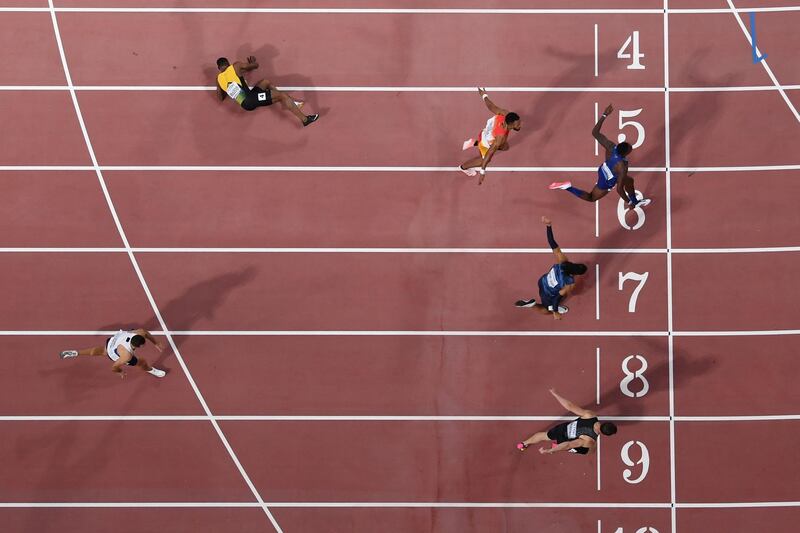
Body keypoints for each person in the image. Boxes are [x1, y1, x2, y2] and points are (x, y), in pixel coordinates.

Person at [548, 104, 650, 209]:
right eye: (630, 149)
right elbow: (619, 190)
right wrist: (628, 202)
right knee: (591, 197)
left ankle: (635, 201)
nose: (631, 148)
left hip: (603, 169)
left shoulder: (611, 146)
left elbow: (595, 133)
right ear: (625, 153)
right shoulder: (622, 167)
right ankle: (568, 187)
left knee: (629, 181)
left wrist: (605, 115)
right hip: (607, 180)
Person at [515, 216, 587, 320]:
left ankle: (545, 306)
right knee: (547, 310)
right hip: (548, 293)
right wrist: (555, 311)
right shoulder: (569, 283)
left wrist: (548, 226)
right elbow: (558, 297)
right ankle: (533, 306)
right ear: (578, 274)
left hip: (542, 281)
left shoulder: (563, 261)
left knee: (560, 295)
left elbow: (552, 242)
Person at [216, 56, 319, 127]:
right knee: (282, 96)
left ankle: (292, 103)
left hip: (245, 101)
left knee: (265, 82)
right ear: (228, 63)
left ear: (219, 68)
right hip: (251, 100)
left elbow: (221, 98)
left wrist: (224, 87)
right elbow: (255, 66)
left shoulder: (219, 79)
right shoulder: (235, 66)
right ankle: (305, 120)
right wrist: (252, 63)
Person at [517, 388, 617, 455]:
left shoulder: (590, 415)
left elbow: (570, 406)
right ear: (605, 434)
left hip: (562, 429)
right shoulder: (590, 441)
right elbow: (569, 444)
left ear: (605, 423)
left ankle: (523, 444)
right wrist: (550, 450)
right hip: (565, 440)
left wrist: (555, 394)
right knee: (591, 450)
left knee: (543, 435)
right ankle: (556, 445)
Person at [459, 88, 522, 185]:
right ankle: (463, 167)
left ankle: (474, 142)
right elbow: (489, 154)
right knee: (483, 160)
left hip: (484, 133)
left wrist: (484, 95)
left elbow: (491, 106)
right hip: (485, 143)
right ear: (510, 125)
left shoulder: (504, 113)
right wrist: (482, 172)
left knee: (505, 147)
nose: (520, 125)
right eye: (517, 124)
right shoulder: (500, 138)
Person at [60, 328, 166, 379]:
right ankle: (151, 370)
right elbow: (114, 367)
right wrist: (119, 372)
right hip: (116, 353)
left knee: (102, 351)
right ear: (139, 346)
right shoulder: (127, 356)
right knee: (141, 362)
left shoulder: (139, 333)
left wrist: (156, 343)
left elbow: (145, 333)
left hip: (112, 342)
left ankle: (75, 353)